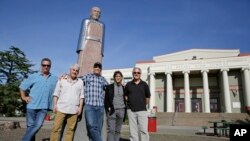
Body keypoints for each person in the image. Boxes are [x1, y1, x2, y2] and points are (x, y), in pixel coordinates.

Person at [19, 58, 58, 141]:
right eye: (44, 65)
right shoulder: (34, 76)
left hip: (43, 107)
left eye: (48, 65)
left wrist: (65, 76)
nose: (46, 67)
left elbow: (61, 84)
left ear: (50, 66)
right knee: (30, 127)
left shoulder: (54, 78)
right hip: (31, 106)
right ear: (41, 66)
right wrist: (23, 97)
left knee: (37, 125)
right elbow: (22, 87)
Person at [50, 64, 84, 141]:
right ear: (70, 70)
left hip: (73, 110)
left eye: (76, 71)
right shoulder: (62, 80)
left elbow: (81, 96)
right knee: (56, 128)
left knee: (70, 130)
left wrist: (80, 108)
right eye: (73, 70)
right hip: (61, 108)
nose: (75, 72)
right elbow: (56, 93)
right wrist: (55, 105)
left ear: (78, 72)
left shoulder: (80, 82)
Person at [79, 62, 108, 141]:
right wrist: (66, 76)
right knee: (91, 126)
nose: (97, 68)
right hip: (89, 106)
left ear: (101, 69)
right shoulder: (88, 76)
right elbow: (77, 79)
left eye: (99, 67)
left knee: (98, 129)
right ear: (93, 68)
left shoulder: (103, 79)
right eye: (96, 67)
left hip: (100, 106)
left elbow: (109, 89)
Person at [76, 6, 105, 76]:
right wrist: (80, 49)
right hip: (85, 46)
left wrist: (101, 52)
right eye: (95, 11)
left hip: (98, 47)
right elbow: (82, 36)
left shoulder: (102, 25)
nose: (97, 13)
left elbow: (102, 40)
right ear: (91, 12)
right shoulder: (86, 21)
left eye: (98, 12)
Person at [125, 67, 151, 141]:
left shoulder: (144, 84)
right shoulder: (128, 84)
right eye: (135, 72)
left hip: (142, 110)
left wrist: (142, 104)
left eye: (138, 73)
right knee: (133, 131)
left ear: (140, 74)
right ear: (132, 74)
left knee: (144, 130)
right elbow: (126, 96)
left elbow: (148, 97)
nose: (136, 74)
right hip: (131, 110)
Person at [105, 71, 126, 141]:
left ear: (121, 78)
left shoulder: (124, 88)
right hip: (112, 111)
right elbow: (106, 99)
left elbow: (126, 98)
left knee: (118, 130)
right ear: (114, 78)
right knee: (111, 130)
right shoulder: (109, 87)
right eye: (116, 76)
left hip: (121, 110)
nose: (118, 77)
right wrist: (108, 107)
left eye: (119, 76)